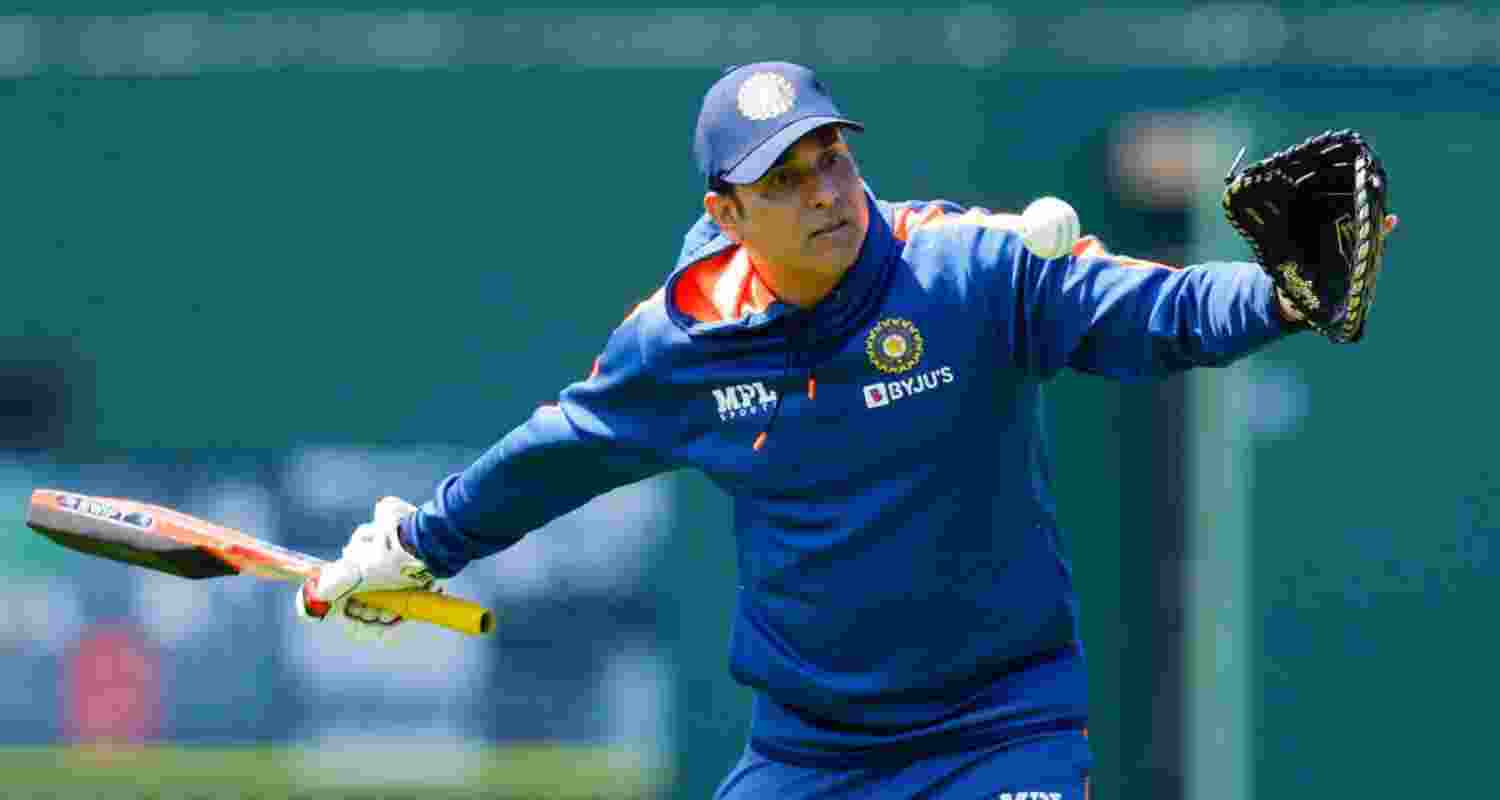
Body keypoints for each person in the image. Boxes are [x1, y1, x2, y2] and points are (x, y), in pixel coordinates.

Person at [295, 62, 1382, 798]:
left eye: (832, 158)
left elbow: (1160, 312)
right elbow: (555, 457)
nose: (825, 189)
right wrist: (411, 547)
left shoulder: (967, 271)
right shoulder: (679, 341)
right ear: (728, 212)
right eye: (786, 177)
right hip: (812, 753)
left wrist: (1283, 294)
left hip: (1000, 728)